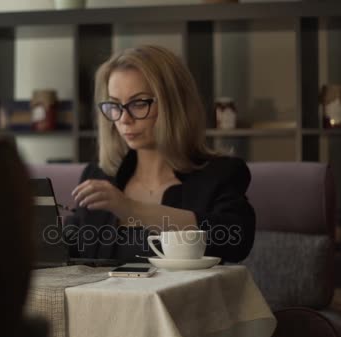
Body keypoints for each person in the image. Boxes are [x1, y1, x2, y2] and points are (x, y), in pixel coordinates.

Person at [64, 45, 255, 263]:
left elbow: (235, 239)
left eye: (138, 103)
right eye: (115, 105)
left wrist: (131, 208)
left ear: (174, 104)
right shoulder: (99, 176)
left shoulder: (220, 173)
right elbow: (68, 249)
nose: (124, 119)